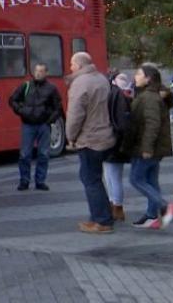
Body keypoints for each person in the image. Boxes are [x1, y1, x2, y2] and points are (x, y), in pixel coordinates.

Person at [65, 52, 116, 234]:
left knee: (90, 179)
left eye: (71, 64)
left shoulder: (80, 83)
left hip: (90, 138)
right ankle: (102, 216)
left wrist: (70, 136)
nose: (70, 67)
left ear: (78, 65)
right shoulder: (101, 79)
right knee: (95, 178)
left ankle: (101, 221)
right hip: (105, 135)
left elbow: (75, 114)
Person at [124, 65, 173, 229]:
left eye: (139, 74)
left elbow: (153, 124)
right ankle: (152, 215)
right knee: (151, 181)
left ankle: (164, 206)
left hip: (146, 147)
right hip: (154, 147)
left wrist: (147, 148)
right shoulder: (150, 95)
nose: (135, 77)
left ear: (148, 79)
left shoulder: (149, 97)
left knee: (136, 179)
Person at [9, 63, 62, 191]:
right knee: (25, 154)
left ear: (46, 73)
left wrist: (49, 121)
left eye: (41, 71)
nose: (38, 73)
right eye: (36, 71)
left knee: (43, 154)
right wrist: (21, 111)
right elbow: (12, 100)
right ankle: (24, 181)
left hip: (43, 125)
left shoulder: (52, 88)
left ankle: (40, 181)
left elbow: (58, 107)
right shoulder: (26, 86)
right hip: (28, 124)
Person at [103, 74, 133, 222]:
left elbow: (121, 124)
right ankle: (114, 205)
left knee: (112, 177)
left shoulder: (116, 95)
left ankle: (117, 206)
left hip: (114, 143)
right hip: (116, 143)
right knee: (111, 176)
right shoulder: (123, 96)